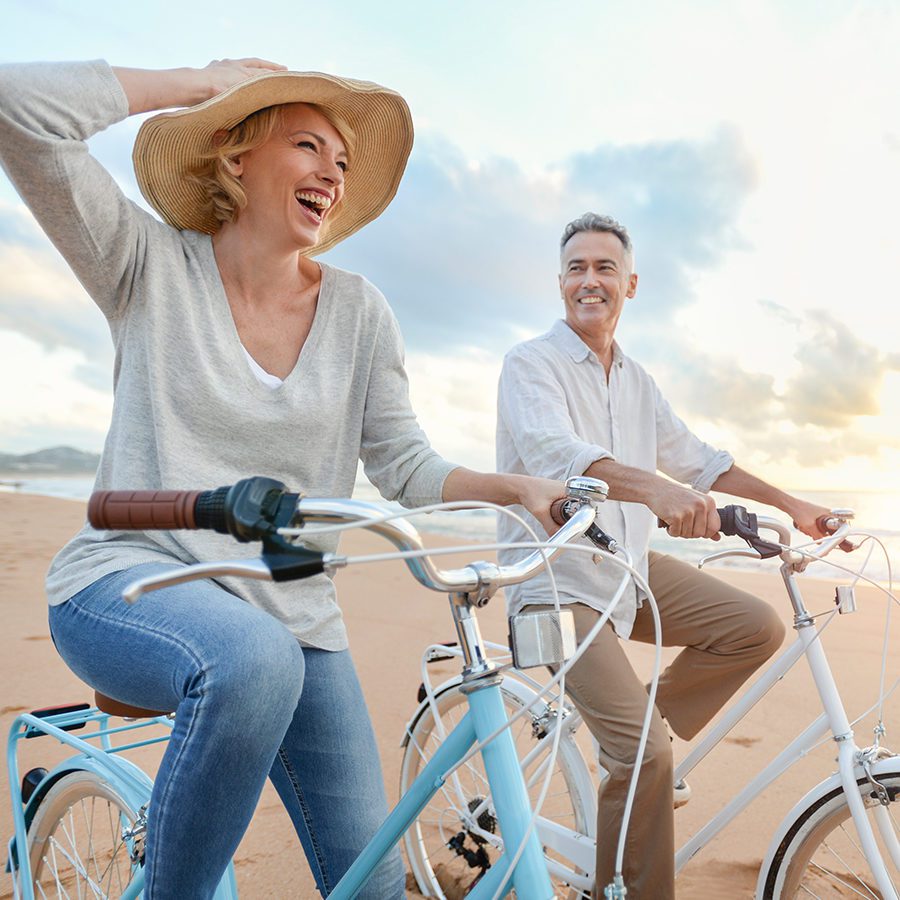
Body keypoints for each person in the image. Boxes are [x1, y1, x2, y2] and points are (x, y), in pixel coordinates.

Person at [0, 58, 565, 898]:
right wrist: (198, 83)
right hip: (129, 580)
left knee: (368, 883)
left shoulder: (360, 311)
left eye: (342, 162)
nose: (334, 173)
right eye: (309, 146)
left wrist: (510, 487)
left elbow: (403, 464)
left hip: (296, 614)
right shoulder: (147, 265)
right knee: (253, 661)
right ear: (234, 159)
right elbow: (19, 109)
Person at [495, 212, 833, 899]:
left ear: (632, 284)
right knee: (643, 753)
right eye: (578, 269)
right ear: (560, 283)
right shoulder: (530, 363)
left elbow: (702, 462)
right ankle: (629, 839)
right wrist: (659, 493)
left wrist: (793, 505)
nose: (590, 280)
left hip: (625, 567)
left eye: (605, 268)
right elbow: (559, 459)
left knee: (753, 627)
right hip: (554, 580)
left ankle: (633, 737)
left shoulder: (638, 381)